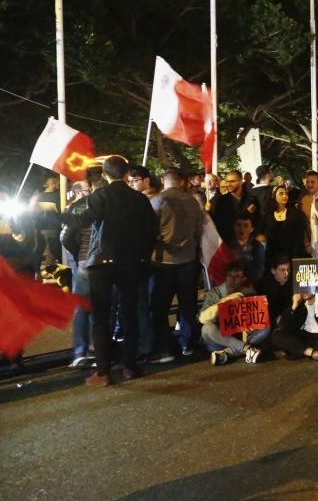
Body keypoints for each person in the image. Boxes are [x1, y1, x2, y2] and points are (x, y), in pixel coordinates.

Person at [57, 155, 158, 386]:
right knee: (129, 314)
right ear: (126, 174)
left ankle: (102, 372)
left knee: (101, 317)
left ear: (104, 174)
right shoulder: (139, 199)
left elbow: (80, 222)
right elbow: (151, 231)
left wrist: (51, 215)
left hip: (101, 263)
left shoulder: (99, 196)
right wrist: (142, 257)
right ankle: (130, 367)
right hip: (131, 263)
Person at [148, 168, 205, 362]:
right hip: (188, 260)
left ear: (163, 180)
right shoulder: (193, 201)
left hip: (163, 261)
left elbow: (150, 231)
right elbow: (199, 230)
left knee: (159, 307)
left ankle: (164, 348)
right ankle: (188, 343)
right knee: (187, 305)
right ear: (181, 181)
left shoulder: (156, 201)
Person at [199, 263, 269, 366]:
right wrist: (225, 301)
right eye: (229, 276)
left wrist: (252, 325)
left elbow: (256, 319)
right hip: (220, 341)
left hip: (241, 337)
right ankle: (246, 349)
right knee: (207, 328)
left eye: (236, 277)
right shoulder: (215, 292)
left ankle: (227, 354)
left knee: (266, 328)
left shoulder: (249, 292)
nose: (231, 280)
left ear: (244, 279)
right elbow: (202, 318)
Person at [61, 180, 94, 368]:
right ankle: (82, 350)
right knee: (83, 305)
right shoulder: (73, 209)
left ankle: (91, 348)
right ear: (78, 192)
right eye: (88, 190)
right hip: (82, 263)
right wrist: (78, 254)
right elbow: (65, 237)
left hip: (86, 262)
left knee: (94, 305)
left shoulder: (95, 206)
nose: (90, 192)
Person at [260, 184, 310, 260]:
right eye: (281, 194)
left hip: (293, 254)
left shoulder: (295, 214)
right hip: (273, 256)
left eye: (286, 193)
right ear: (274, 196)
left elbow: (300, 235)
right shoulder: (267, 215)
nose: (284, 196)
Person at [210, 169, 260, 241]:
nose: (229, 184)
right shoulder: (220, 201)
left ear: (241, 182)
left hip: (248, 242)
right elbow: (218, 223)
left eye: (232, 181)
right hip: (227, 241)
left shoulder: (252, 200)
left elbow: (257, 220)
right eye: (227, 181)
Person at [258, 255, 293, 325]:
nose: (286, 273)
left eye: (288, 269)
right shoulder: (264, 287)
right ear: (273, 271)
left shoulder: (294, 283)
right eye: (282, 270)